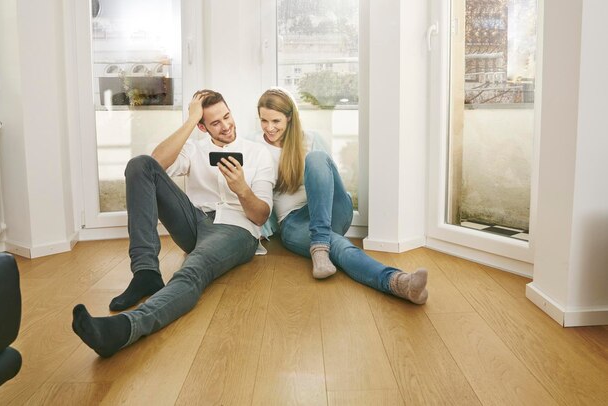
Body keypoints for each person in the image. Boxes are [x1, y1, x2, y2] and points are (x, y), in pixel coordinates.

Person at [72, 90, 275, 357]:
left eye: (227, 116)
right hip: (194, 220)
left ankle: (125, 328)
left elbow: (260, 216)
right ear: (202, 126)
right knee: (140, 164)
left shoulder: (259, 154)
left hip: (237, 229)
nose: (226, 126)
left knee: (193, 268)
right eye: (215, 122)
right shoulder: (194, 148)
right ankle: (146, 273)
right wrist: (191, 120)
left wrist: (242, 189)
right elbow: (154, 164)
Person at [256, 88, 428, 304]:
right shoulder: (256, 147)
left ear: (289, 117)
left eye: (276, 121)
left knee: (317, 158)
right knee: (339, 246)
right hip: (293, 222)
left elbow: (326, 177)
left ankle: (319, 244)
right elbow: (256, 193)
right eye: (264, 120)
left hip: (329, 212)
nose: (269, 128)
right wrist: (259, 230)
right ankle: (400, 282)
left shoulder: (310, 139)